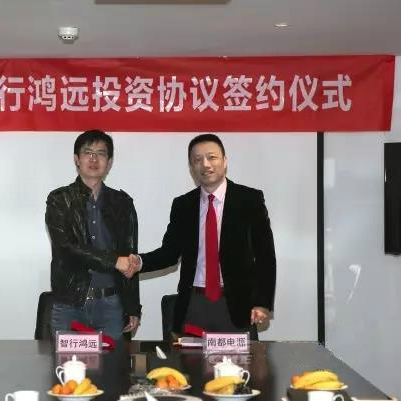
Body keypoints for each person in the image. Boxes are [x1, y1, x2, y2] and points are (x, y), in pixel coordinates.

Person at [126, 133, 276, 340]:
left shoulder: (249, 199)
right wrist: (139, 261)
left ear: (225, 161)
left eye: (212, 157)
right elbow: (169, 253)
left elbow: (265, 256)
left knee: (239, 361)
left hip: (237, 306)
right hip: (194, 304)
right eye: (197, 160)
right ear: (191, 167)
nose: (205, 164)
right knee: (190, 361)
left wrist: (262, 302)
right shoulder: (183, 205)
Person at [45, 129, 141, 340]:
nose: (94, 159)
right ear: (76, 159)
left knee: (113, 362)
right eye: (88, 152)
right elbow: (66, 248)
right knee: (67, 362)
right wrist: (114, 261)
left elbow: (130, 255)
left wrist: (133, 306)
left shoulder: (122, 203)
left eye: (101, 153)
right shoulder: (60, 200)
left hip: (111, 306)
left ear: (110, 162)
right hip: (70, 304)